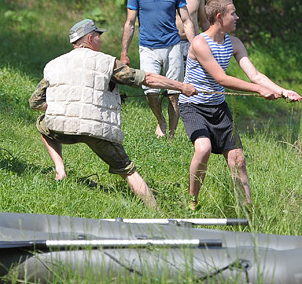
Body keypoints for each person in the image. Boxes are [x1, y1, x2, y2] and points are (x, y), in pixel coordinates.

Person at [31, 19, 197, 209]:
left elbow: (35, 102)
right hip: (97, 131)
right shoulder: (107, 62)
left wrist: (58, 106)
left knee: (43, 124)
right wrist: (181, 86)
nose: (101, 42)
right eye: (99, 37)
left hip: (61, 128)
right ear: (90, 38)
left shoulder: (54, 64)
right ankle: (155, 211)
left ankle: (60, 170)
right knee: (127, 169)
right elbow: (147, 78)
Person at [178, 0, 302, 209]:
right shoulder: (200, 43)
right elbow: (221, 78)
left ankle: (246, 208)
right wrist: (259, 90)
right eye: (232, 13)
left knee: (238, 159)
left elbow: (255, 75)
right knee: (203, 148)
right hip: (193, 105)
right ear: (219, 17)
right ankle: (193, 200)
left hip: (218, 107)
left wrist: (282, 91)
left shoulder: (234, 43)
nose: (237, 17)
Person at [120, 0, 196, 138]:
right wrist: (124, 52)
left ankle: (171, 134)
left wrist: (195, 46)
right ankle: (160, 120)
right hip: (148, 47)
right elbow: (130, 23)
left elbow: (186, 20)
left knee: (174, 92)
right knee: (150, 91)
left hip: (173, 46)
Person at [172, 0, 210, 64]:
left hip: (193, 41)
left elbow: (204, 20)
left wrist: (210, 42)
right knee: (175, 78)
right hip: (173, 42)